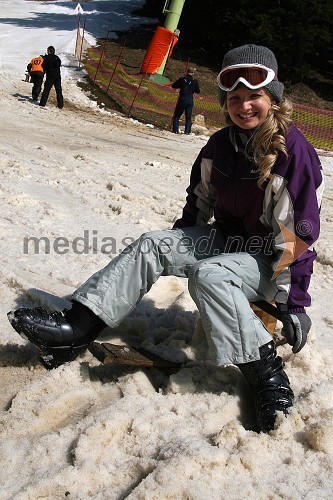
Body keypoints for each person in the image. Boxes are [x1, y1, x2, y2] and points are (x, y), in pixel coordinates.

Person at [8, 45, 324, 433]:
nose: (244, 107)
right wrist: (179, 245)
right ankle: (76, 328)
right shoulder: (219, 146)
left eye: (254, 96)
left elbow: (298, 237)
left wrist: (294, 303)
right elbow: (198, 204)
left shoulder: (294, 153)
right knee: (153, 242)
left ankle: (267, 378)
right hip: (226, 242)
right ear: (225, 102)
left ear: (273, 99)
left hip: (269, 260)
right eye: (235, 99)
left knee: (210, 276)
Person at [171, 67, 200, 134]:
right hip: (190, 100)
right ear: (193, 73)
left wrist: (181, 86)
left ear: (187, 72)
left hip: (182, 99)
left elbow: (174, 86)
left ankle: (175, 130)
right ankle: (187, 132)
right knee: (188, 117)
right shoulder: (195, 81)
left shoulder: (182, 79)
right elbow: (198, 91)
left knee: (177, 115)